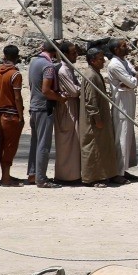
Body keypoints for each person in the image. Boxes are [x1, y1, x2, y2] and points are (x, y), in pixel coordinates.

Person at [79, 48, 124, 187]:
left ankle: (104, 174)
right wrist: (97, 119)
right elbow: (90, 100)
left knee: (102, 147)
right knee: (93, 148)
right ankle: (92, 178)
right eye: (100, 58)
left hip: (101, 118)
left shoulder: (95, 74)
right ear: (92, 60)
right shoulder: (91, 75)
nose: (103, 61)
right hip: (93, 121)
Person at [27, 42, 63, 189]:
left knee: (35, 142)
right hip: (44, 108)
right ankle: (41, 179)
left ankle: (33, 174)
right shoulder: (48, 67)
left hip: (34, 106)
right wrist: (61, 98)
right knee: (44, 144)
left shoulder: (35, 62)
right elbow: (46, 90)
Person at [107, 38, 138, 180]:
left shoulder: (124, 61)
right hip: (121, 104)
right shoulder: (114, 64)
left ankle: (123, 169)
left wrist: (133, 78)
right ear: (116, 49)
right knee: (121, 136)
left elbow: (134, 74)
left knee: (127, 136)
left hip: (128, 101)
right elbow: (131, 82)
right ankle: (118, 172)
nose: (127, 47)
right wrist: (132, 79)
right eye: (123, 46)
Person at [0, 45, 24, 187]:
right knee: (11, 146)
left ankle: (5, 175)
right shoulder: (15, 74)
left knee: (3, 145)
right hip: (12, 114)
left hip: (1, 112)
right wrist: (21, 116)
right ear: (17, 57)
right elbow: (17, 97)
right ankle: (6, 179)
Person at [54, 41, 82, 184]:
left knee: (74, 142)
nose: (76, 55)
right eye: (73, 53)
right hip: (67, 109)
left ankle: (73, 174)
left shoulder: (69, 68)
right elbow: (74, 91)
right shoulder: (63, 70)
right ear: (65, 54)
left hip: (72, 106)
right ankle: (65, 176)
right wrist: (81, 89)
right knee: (67, 143)